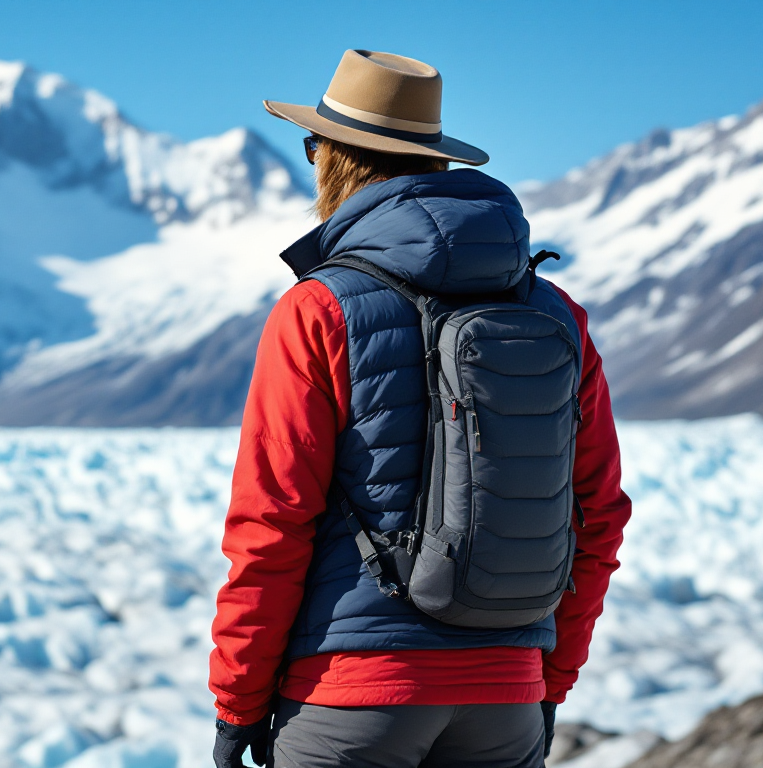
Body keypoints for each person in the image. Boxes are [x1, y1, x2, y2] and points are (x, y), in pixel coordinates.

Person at [210, 49, 632, 768]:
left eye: (315, 146)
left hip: (351, 698)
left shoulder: (319, 310)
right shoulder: (558, 315)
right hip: (507, 699)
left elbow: (272, 522)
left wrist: (238, 705)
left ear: (333, 157)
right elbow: (597, 515)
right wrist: (544, 683)